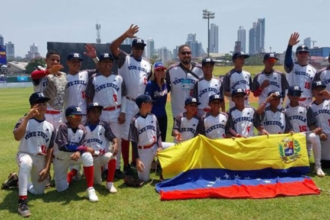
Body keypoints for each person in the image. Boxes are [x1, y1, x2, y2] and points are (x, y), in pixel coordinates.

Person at [110, 24, 151, 173]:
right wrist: (124, 36)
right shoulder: (124, 59)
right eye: (136, 48)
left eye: (141, 48)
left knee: (139, 132)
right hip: (127, 101)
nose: (139, 50)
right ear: (132, 48)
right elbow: (112, 47)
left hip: (141, 104)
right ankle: (126, 164)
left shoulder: (148, 64)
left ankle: (136, 161)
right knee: (125, 134)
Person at [13, 92, 55, 217]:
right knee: (26, 164)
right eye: (38, 104)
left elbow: (50, 149)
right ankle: (22, 203)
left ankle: (17, 181)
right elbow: (17, 137)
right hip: (25, 154)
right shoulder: (24, 120)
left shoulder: (50, 126)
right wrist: (27, 118)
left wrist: (47, 168)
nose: (42, 106)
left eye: (44, 103)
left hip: (40, 159)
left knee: (39, 192)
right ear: (32, 106)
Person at [86, 53, 126, 179]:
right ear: (100, 64)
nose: (107, 64)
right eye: (104, 62)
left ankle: (116, 167)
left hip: (116, 111)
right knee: (102, 141)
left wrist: (123, 112)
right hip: (101, 113)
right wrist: (91, 113)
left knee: (117, 140)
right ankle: (103, 167)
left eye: (109, 62)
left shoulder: (118, 78)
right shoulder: (94, 78)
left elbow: (124, 95)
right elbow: (89, 97)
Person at [53, 106, 99, 202]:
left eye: (80, 116)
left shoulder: (83, 128)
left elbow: (82, 145)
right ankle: (73, 173)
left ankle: (90, 189)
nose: (79, 118)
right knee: (61, 189)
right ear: (68, 117)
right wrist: (83, 148)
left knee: (87, 156)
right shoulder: (63, 127)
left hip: (74, 157)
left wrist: (79, 151)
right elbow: (63, 146)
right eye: (75, 116)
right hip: (60, 158)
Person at [284, 85, 324, 177]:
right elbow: (286, 128)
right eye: (293, 94)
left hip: (305, 136)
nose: (295, 96)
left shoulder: (306, 108)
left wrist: (316, 130)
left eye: (298, 94)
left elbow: (312, 124)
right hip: (292, 138)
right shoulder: (285, 110)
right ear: (289, 95)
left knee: (314, 137)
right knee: (299, 163)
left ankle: (318, 166)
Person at [85, 102, 118, 193]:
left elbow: (113, 137)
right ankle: (96, 174)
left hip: (103, 155)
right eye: (93, 112)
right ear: (88, 114)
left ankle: (109, 183)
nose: (96, 114)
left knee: (112, 156)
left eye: (98, 112)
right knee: (98, 182)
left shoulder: (104, 124)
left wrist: (115, 144)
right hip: (91, 159)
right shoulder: (84, 127)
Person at [129, 95, 163, 182]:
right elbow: (134, 142)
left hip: (155, 147)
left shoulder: (153, 117)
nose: (152, 105)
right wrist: (137, 160)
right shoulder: (135, 120)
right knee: (144, 179)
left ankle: (165, 173)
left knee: (173, 148)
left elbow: (158, 134)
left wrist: (160, 146)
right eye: (150, 103)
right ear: (143, 104)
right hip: (143, 152)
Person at [166, 44, 203, 118]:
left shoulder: (200, 69)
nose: (186, 55)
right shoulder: (171, 70)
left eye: (188, 53)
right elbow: (165, 88)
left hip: (195, 113)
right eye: (183, 53)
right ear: (178, 55)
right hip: (178, 113)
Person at [64, 44, 98, 124]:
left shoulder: (86, 73)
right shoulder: (63, 77)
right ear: (67, 62)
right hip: (70, 113)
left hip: (84, 114)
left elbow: (101, 68)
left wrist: (94, 57)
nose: (76, 63)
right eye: (73, 61)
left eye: (78, 61)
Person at [31, 51, 64, 128]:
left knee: (58, 139)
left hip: (58, 114)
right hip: (43, 113)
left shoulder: (61, 76)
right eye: (52, 59)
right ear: (46, 60)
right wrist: (48, 71)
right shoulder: (40, 71)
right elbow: (33, 75)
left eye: (58, 60)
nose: (55, 62)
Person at [284, 32, 317, 106]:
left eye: (305, 52)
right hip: (291, 102)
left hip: (307, 102)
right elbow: (287, 60)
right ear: (296, 55)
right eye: (300, 52)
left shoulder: (313, 71)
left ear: (308, 55)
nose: (303, 54)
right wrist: (290, 46)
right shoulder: (291, 67)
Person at [145, 61, 168, 142]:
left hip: (163, 116)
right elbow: (147, 101)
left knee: (163, 140)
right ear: (154, 72)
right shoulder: (150, 84)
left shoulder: (165, 84)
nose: (160, 72)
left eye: (162, 70)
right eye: (158, 70)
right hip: (153, 116)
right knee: (153, 140)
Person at [309, 81, 330, 168]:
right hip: (322, 136)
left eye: (322, 89)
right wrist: (320, 133)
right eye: (317, 89)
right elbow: (311, 124)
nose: (320, 91)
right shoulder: (310, 107)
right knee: (326, 163)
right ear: (312, 92)